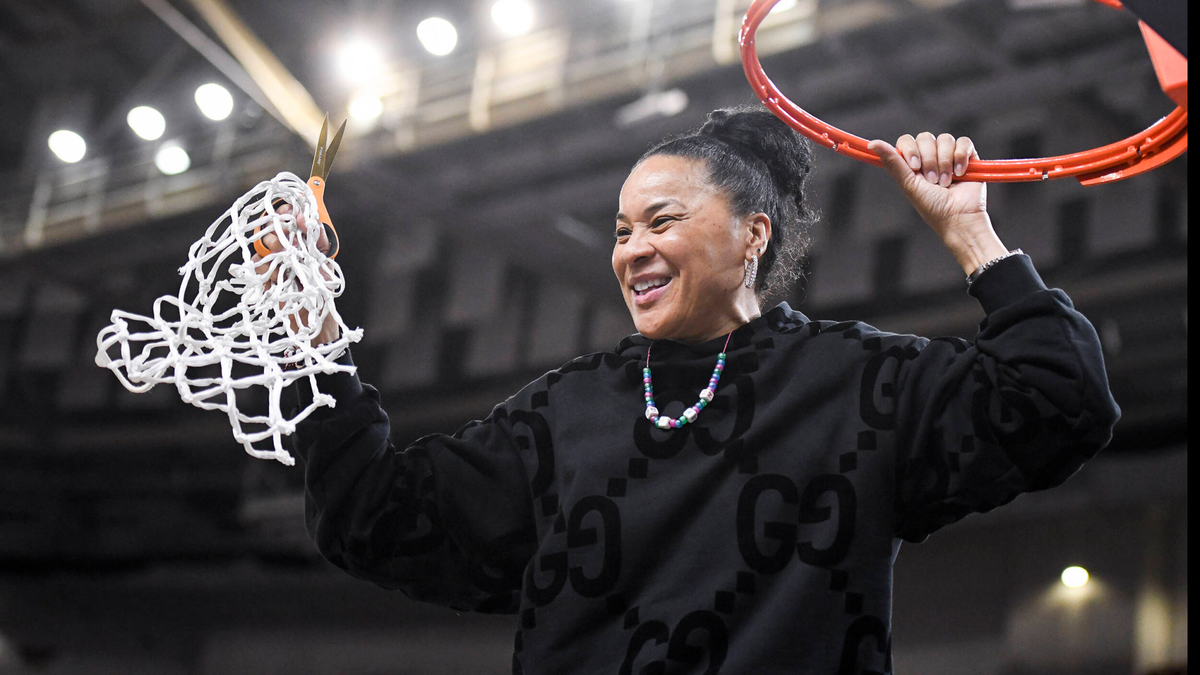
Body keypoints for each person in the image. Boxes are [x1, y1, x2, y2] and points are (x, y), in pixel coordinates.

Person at [271, 107, 1120, 674]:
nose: (631, 249)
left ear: (754, 235)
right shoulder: (564, 413)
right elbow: (372, 516)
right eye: (621, 230)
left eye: (662, 220)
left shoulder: (860, 383)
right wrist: (313, 343)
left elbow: (1060, 399)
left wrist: (970, 229)